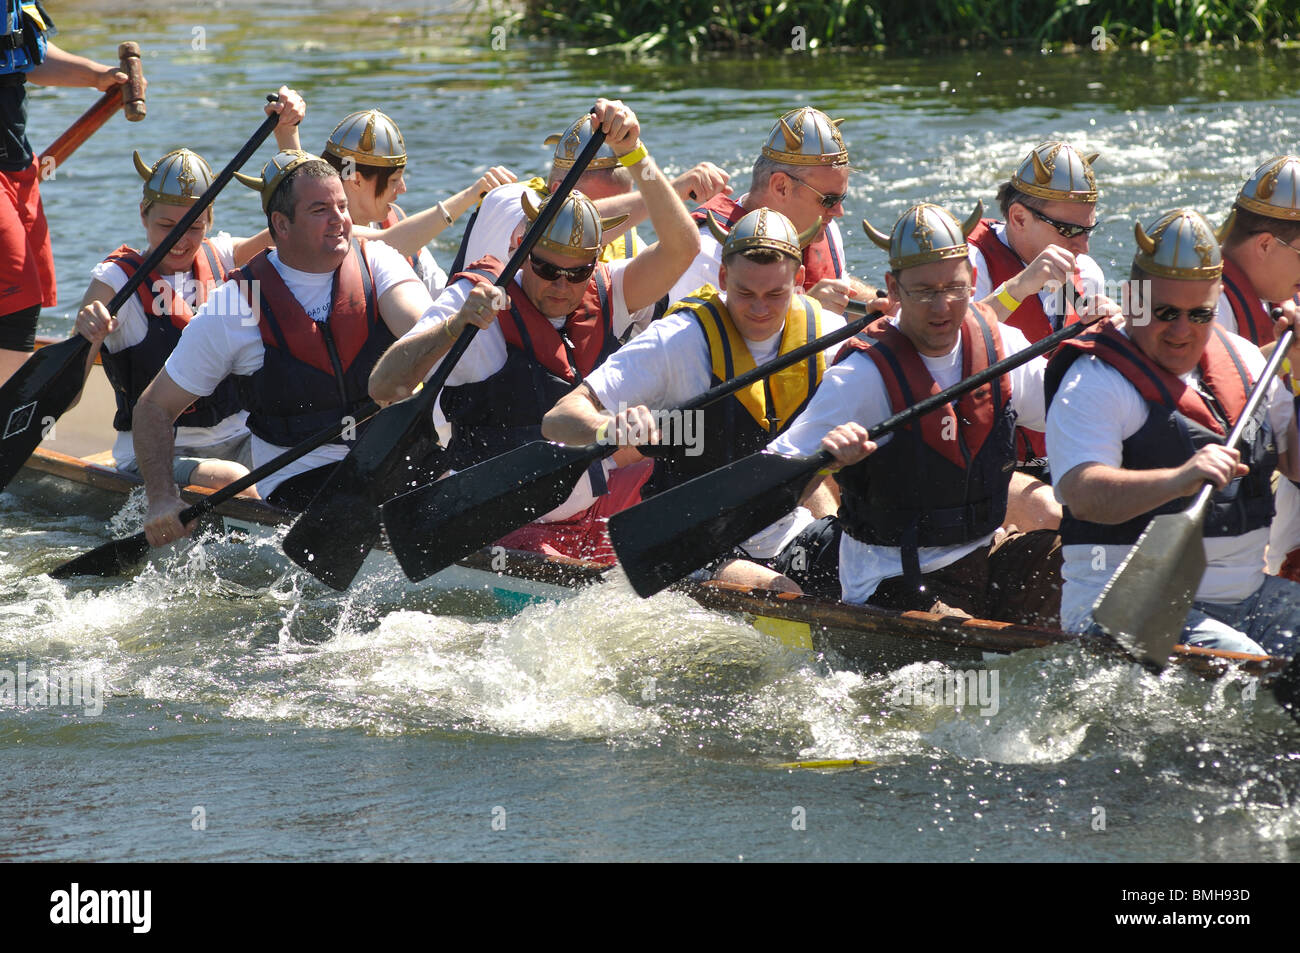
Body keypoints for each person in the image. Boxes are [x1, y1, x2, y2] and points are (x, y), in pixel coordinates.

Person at [369, 99, 699, 563]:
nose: (562, 286)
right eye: (546, 269)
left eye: (576, 272)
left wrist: (636, 154)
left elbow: (683, 247)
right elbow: (385, 387)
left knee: (684, 468)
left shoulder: (609, 291)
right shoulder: (479, 303)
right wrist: (452, 328)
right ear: (519, 251)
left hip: (594, 506)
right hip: (500, 523)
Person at [769, 201, 1072, 625]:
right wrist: (825, 463)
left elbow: (1077, 416)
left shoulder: (1001, 345)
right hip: (892, 581)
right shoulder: (861, 376)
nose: (942, 306)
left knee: (1093, 565)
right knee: (961, 655)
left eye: (955, 287)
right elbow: (779, 481)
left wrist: (1109, 354)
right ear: (893, 289)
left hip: (983, 555)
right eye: (924, 291)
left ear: (971, 279)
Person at [134, 150, 448, 546]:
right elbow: (154, 408)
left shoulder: (378, 262)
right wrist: (162, 497)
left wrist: (454, 325)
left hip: (397, 458)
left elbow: (423, 328)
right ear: (281, 224)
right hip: (299, 481)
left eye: (342, 206)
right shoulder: (236, 304)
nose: (340, 220)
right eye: (320, 210)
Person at [543, 207, 852, 594]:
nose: (760, 309)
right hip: (687, 537)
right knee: (781, 589)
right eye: (745, 292)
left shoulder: (829, 335)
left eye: (775, 294)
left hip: (780, 528)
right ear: (723, 277)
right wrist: (609, 427)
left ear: (800, 280)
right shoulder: (678, 339)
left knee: (864, 561)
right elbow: (559, 418)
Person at [1046, 208, 1300, 658]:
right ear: (1135, 299)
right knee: (1247, 669)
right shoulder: (1095, 380)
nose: (1182, 331)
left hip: (1244, 597)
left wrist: (1298, 366)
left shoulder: (1247, 361)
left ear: (1216, 301)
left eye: (1199, 314)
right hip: (1124, 606)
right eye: (1165, 312)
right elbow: (1083, 493)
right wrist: (1179, 479)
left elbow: (1295, 465)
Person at [70, 91, 306, 493]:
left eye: (193, 227)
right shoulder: (113, 282)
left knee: (319, 458)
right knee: (230, 479)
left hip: (242, 437)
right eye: (166, 226)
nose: (180, 241)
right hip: (158, 455)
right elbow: (68, 397)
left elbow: (301, 221)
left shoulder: (225, 258)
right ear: (143, 214)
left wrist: (288, 133)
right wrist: (87, 340)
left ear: (209, 222)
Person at [1, 3, 148, 384]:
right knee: (14, 296)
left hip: (17, 163)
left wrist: (98, 76)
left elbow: (26, 55)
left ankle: (15, 415)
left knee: (28, 297)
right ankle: (12, 417)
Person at [452, 111, 728, 293]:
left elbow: (681, 252)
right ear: (559, 190)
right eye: (609, 204)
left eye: (627, 200)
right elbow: (545, 223)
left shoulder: (629, 244)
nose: (619, 214)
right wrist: (674, 190)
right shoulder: (509, 200)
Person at [667, 106, 875, 315]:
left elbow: (838, 293)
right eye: (829, 200)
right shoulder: (705, 255)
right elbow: (706, 344)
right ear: (781, 187)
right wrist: (807, 311)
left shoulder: (824, 230)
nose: (839, 211)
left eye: (842, 198)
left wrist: (890, 303)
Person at [1213, 155, 1300, 576]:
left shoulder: (1276, 297)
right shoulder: (1191, 303)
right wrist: (1285, 359)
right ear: (1265, 244)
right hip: (1204, 514)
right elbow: (1186, 406)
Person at [320, 108, 515, 296]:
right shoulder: (329, 231)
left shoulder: (396, 220)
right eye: (394, 181)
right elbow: (390, 243)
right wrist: (471, 195)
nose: (403, 189)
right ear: (356, 180)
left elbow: (440, 292)